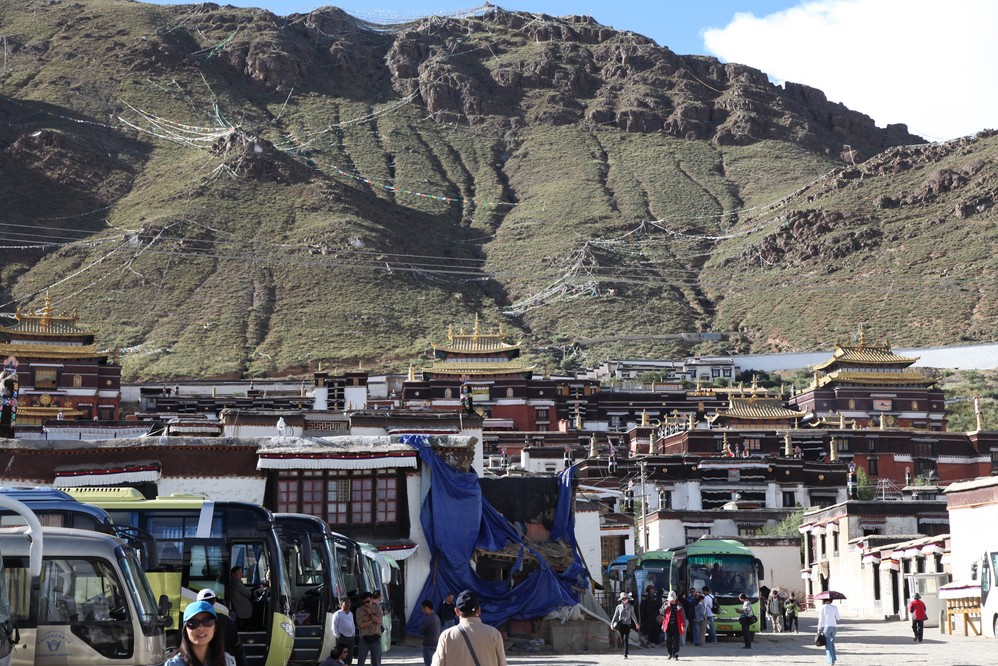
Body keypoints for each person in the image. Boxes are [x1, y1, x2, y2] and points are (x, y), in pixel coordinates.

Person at [431, 589, 506, 666]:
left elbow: (438, 664)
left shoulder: (447, 636)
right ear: (479, 610)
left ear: (456, 611)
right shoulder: (494, 634)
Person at [166, 600, 236, 666]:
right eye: (193, 623)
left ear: (215, 627)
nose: (200, 628)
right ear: (185, 630)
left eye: (207, 621)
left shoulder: (227, 661)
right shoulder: (174, 664)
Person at [196, 589, 247, 666]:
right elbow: (237, 646)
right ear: (214, 601)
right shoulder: (226, 620)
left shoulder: (193, 622)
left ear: (198, 602)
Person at [355, 592, 383, 666]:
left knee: (376, 662)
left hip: (375, 637)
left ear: (372, 600)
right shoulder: (359, 610)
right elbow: (361, 625)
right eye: (364, 602)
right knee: (361, 661)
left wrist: (370, 614)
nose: (366, 604)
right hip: (364, 638)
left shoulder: (377, 608)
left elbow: (379, 621)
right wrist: (372, 620)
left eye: (368, 601)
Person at [609, 592, 637, 658]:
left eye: (626, 598)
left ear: (628, 599)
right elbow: (615, 616)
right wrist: (612, 624)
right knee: (622, 639)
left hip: (627, 624)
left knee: (625, 638)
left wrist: (636, 623)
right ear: (621, 600)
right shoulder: (618, 607)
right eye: (623, 598)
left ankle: (625, 653)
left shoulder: (630, 607)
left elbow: (633, 615)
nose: (624, 600)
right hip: (621, 625)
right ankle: (625, 650)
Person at [660, 590, 685, 661]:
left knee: (676, 641)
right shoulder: (666, 603)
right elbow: (661, 612)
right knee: (668, 640)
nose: (672, 601)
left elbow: (683, 615)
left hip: (677, 625)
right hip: (668, 625)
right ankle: (670, 653)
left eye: (673, 599)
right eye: (671, 599)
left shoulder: (679, 605)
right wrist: (666, 607)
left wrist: (683, 625)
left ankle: (675, 655)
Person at [817, 598, 841, 665]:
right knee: (832, 643)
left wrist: (819, 629)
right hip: (834, 627)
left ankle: (831, 661)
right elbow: (838, 618)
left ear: (824, 600)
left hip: (827, 627)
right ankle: (834, 657)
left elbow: (821, 619)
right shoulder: (834, 607)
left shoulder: (823, 607)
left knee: (828, 644)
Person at [420, 599, 441, 666]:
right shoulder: (436, 617)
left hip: (428, 645)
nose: (422, 611)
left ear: (426, 608)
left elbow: (421, 631)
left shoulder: (428, 619)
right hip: (436, 644)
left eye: (422, 609)